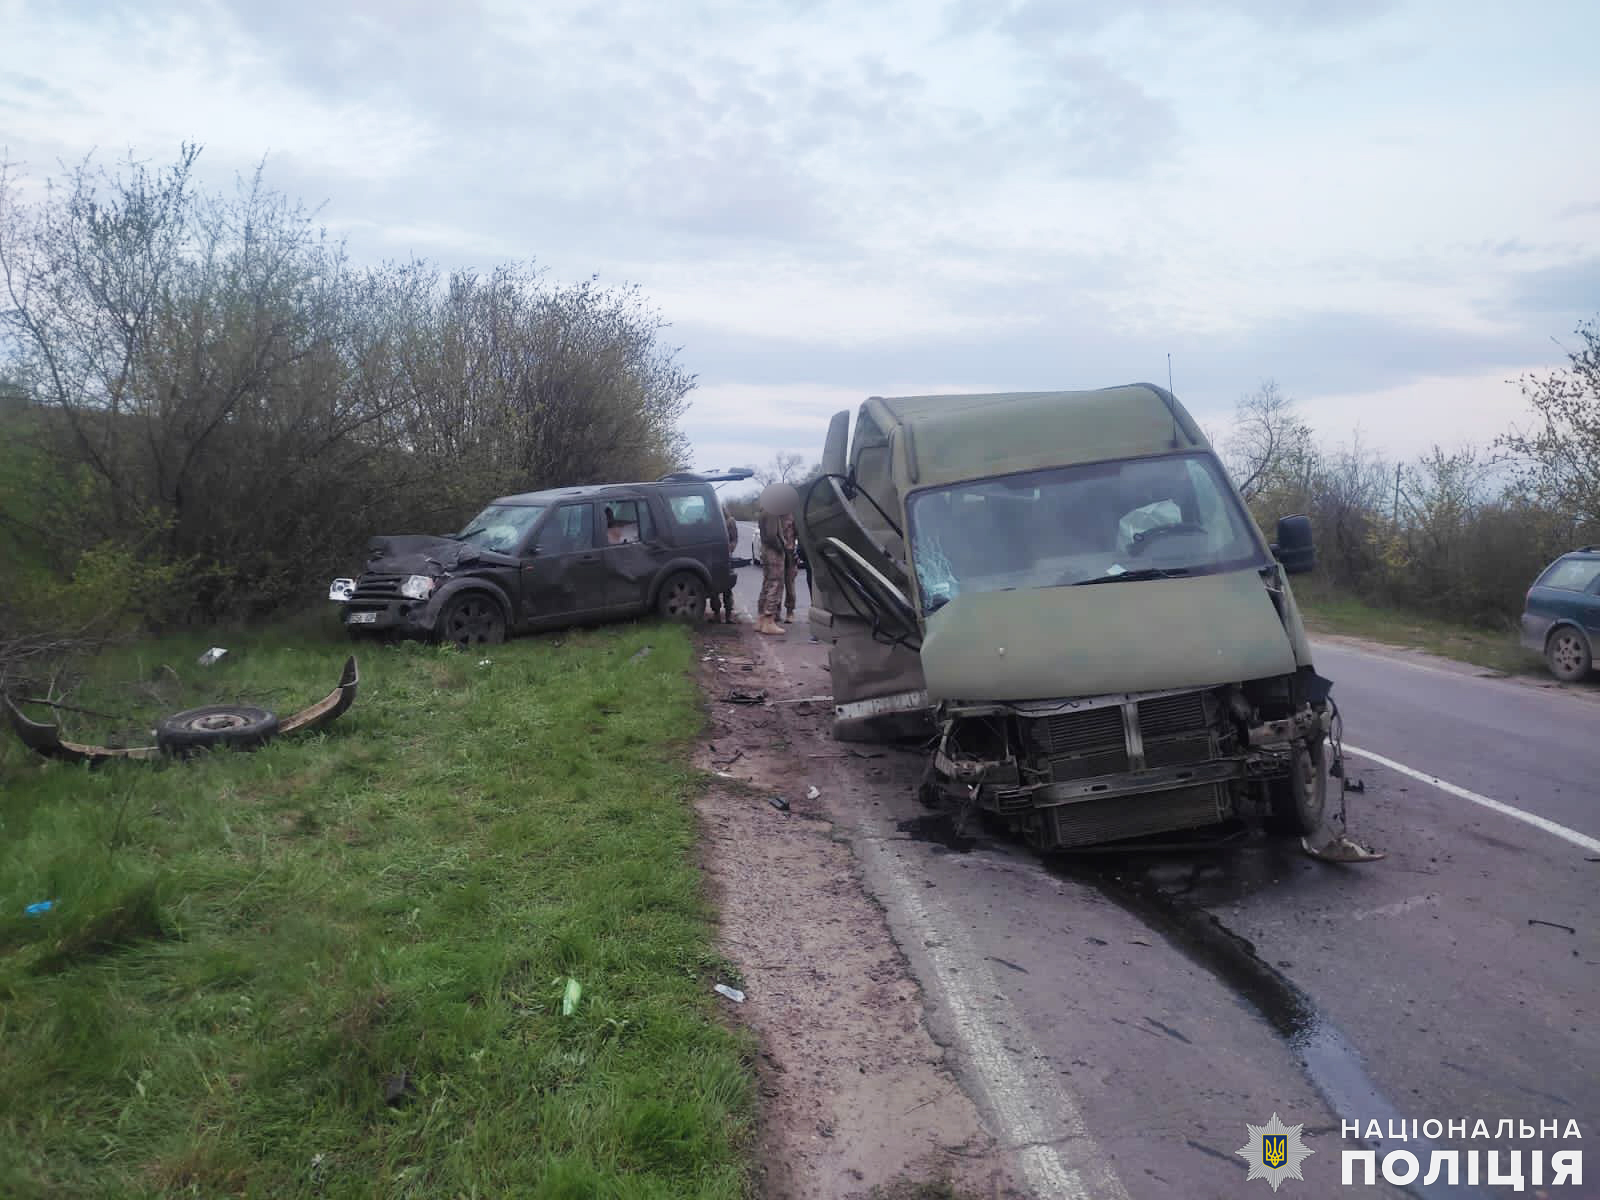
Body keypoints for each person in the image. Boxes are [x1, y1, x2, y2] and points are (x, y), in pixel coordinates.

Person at [755, 501, 787, 636]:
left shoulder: (763, 511)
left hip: (766, 550)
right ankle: (769, 620)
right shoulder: (772, 511)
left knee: (767, 583)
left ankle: (761, 619)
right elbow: (772, 535)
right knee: (775, 583)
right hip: (773, 552)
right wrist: (781, 548)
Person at [709, 506, 738, 623]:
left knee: (727, 587)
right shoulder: (710, 521)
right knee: (713, 587)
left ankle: (728, 614)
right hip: (712, 557)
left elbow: (734, 539)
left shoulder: (730, 521)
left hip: (725, 556)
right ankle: (716, 614)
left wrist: (729, 549)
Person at [780, 513, 799, 622]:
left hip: (789, 552)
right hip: (777, 551)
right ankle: (775, 611)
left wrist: (798, 553)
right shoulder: (774, 515)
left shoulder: (792, 516)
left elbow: (798, 534)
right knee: (776, 583)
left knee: (789, 583)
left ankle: (790, 611)